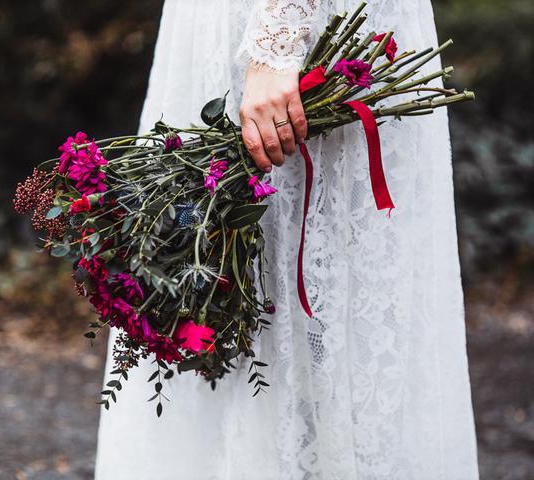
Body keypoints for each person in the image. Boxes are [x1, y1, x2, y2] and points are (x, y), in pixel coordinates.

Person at [95, 1, 479, 478]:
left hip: (291, 30)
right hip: (221, 22)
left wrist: (275, 46)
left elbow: (278, 45)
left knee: (328, 294)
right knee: (226, 272)